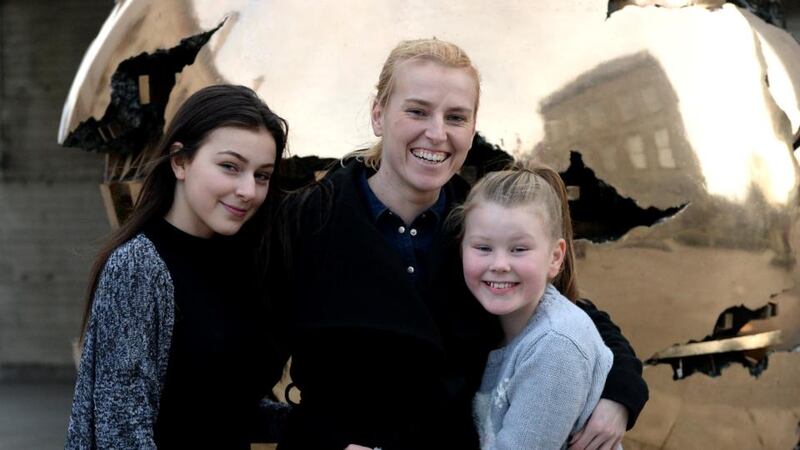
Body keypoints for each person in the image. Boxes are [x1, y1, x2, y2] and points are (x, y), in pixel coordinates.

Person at [275, 38, 647, 450]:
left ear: (472, 128)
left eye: (456, 117)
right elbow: (242, 347)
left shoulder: (482, 226)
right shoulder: (305, 219)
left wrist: (621, 394)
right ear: (379, 115)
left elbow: (568, 311)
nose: (437, 134)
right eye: (417, 111)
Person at [65, 84, 289, 449]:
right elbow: (121, 429)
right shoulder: (138, 267)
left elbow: (219, 409)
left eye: (261, 175)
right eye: (230, 167)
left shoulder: (242, 261)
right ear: (180, 161)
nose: (249, 190)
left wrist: (325, 432)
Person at [454, 164, 613, 449]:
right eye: (483, 248)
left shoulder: (556, 346)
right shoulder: (499, 324)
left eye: (518, 249)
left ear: (555, 257)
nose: (499, 265)